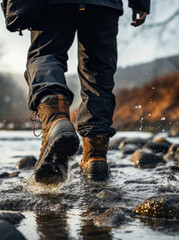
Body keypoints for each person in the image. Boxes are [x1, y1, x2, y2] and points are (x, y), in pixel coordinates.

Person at [25, 0, 150, 183]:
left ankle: (55, 121)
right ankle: (95, 155)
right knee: (98, 71)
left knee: (46, 54)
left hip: (52, 4)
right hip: (105, 4)